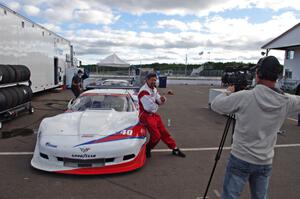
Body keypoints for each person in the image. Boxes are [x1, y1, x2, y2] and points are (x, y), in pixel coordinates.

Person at [211, 56, 300, 199]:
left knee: (230, 196)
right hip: (265, 161)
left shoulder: (245, 96)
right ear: (277, 76)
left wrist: (228, 91)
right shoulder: (286, 101)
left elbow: (216, 105)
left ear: (258, 74)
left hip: (240, 157)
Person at [138, 73, 186, 158]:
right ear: (147, 80)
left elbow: (158, 100)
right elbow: (149, 108)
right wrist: (158, 102)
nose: (154, 81)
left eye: (155, 80)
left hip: (152, 115)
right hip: (145, 116)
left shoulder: (154, 88)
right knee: (156, 136)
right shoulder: (143, 91)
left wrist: (162, 100)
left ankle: (174, 148)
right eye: (152, 80)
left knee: (164, 132)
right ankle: (148, 148)